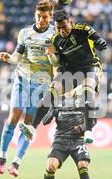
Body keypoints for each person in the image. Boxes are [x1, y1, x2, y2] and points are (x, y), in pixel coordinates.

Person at [19, 9, 107, 144]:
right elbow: (58, 63)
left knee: (86, 91)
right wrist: (51, 57)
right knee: (51, 93)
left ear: (70, 22)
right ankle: (32, 129)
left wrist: (100, 42)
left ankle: (88, 130)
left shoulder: (83, 29)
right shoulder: (56, 39)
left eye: (64, 27)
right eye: (58, 28)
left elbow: (97, 38)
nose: (62, 31)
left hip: (90, 67)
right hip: (71, 71)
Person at [0, 0, 55, 177]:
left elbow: (56, 63)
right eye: (38, 16)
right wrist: (8, 57)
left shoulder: (54, 35)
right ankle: (2, 157)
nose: (41, 20)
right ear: (35, 15)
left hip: (42, 84)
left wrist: (51, 56)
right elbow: (17, 57)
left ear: (50, 17)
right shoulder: (25, 33)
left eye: (45, 17)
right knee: (14, 116)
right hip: (23, 78)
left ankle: (16, 162)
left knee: (28, 125)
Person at [32, 96, 95, 179]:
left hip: (78, 140)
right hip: (60, 139)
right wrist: (52, 111)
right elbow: (45, 121)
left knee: (83, 165)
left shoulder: (82, 99)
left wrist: (82, 128)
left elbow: (93, 120)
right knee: (50, 166)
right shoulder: (57, 100)